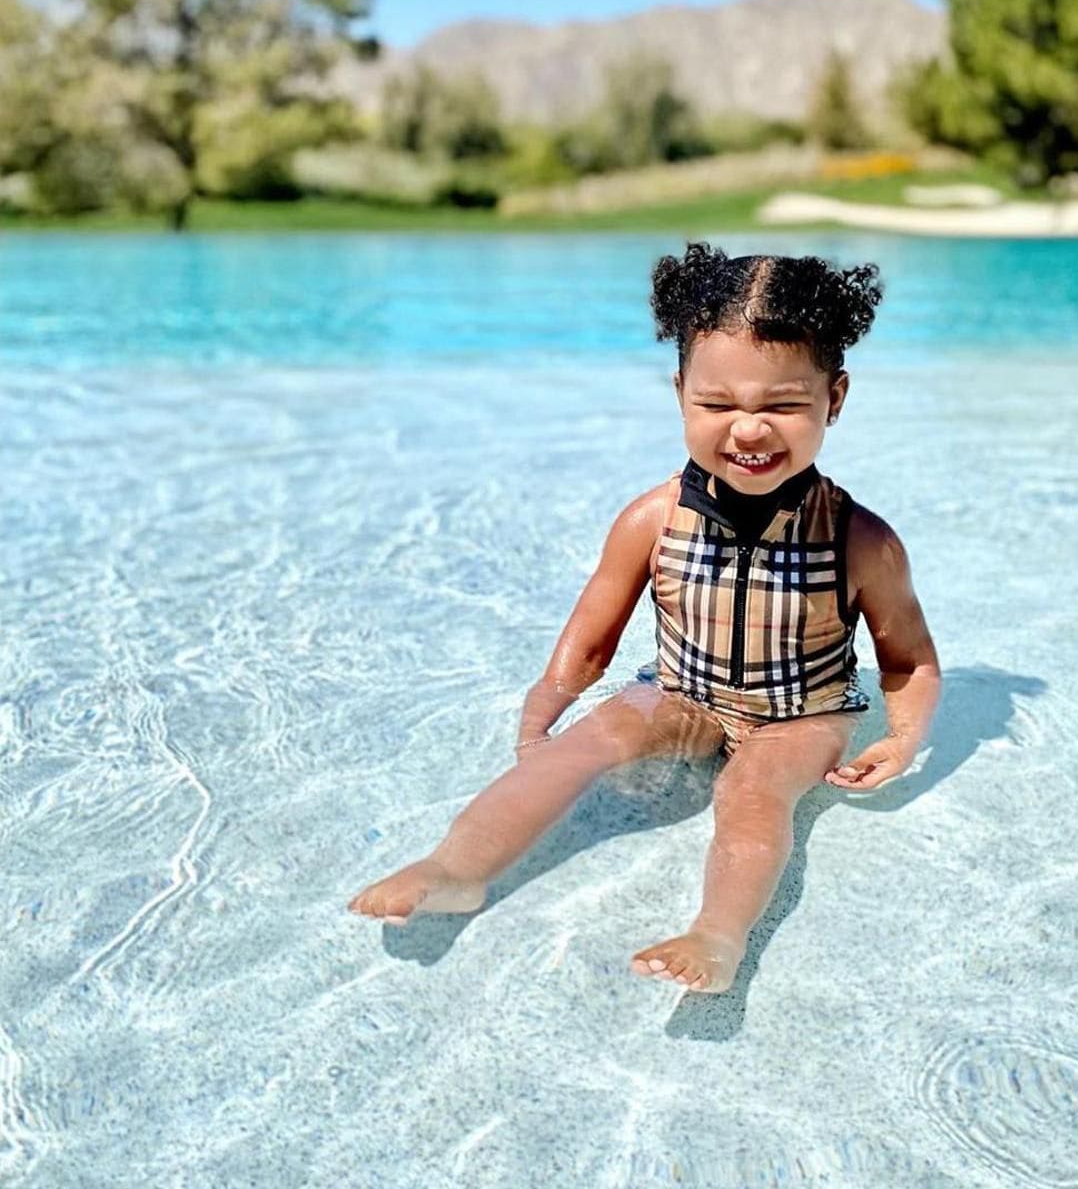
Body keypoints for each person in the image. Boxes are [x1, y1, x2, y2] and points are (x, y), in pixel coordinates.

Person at [348, 241, 940, 993]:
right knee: (584, 744)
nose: (749, 429)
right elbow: (590, 638)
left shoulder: (859, 540)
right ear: (679, 392)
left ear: (836, 398)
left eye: (783, 405)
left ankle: (719, 936)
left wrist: (903, 737)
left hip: (801, 714)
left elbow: (909, 658)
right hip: (683, 692)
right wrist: (545, 712)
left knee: (752, 792)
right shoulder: (653, 521)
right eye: (717, 404)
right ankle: (456, 869)